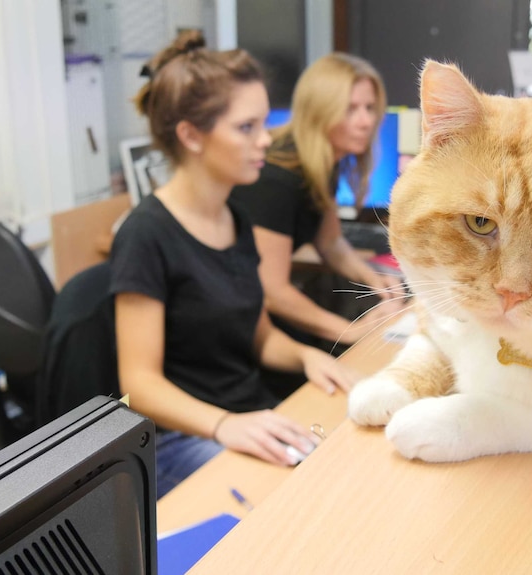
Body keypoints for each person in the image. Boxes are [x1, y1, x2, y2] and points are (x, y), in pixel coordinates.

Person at [110, 31, 355, 498]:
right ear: (190, 135)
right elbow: (138, 383)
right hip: (184, 438)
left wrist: (306, 355)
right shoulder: (145, 234)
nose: (265, 140)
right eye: (246, 128)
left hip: (248, 417)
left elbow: (258, 335)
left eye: (263, 123)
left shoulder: (235, 218)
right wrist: (224, 425)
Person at [231, 53, 405, 351]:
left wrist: (375, 278)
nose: (365, 121)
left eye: (369, 108)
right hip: (240, 324)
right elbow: (272, 291)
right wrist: (350, 331)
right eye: (350, 110)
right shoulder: (276, 178)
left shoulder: (322, 160)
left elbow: (330, 241)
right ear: (320, 111)